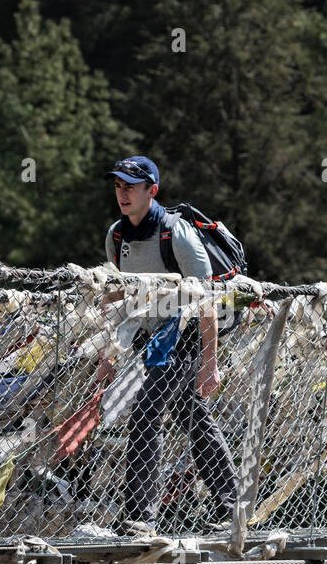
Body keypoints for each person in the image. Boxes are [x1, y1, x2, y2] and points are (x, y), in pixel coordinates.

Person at [98, 155, 237, 534]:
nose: (122, 193)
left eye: (131, 186)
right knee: (193, 417)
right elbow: (120, 297)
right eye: (118, 186)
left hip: (186, 335)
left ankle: (140, 517)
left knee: (145, 414)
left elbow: (205, 299)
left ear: (152, 190)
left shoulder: (176, 233)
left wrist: (211, 362)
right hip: (149, 338)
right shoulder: (116, 235)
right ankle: (231, 506)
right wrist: (108, 351)